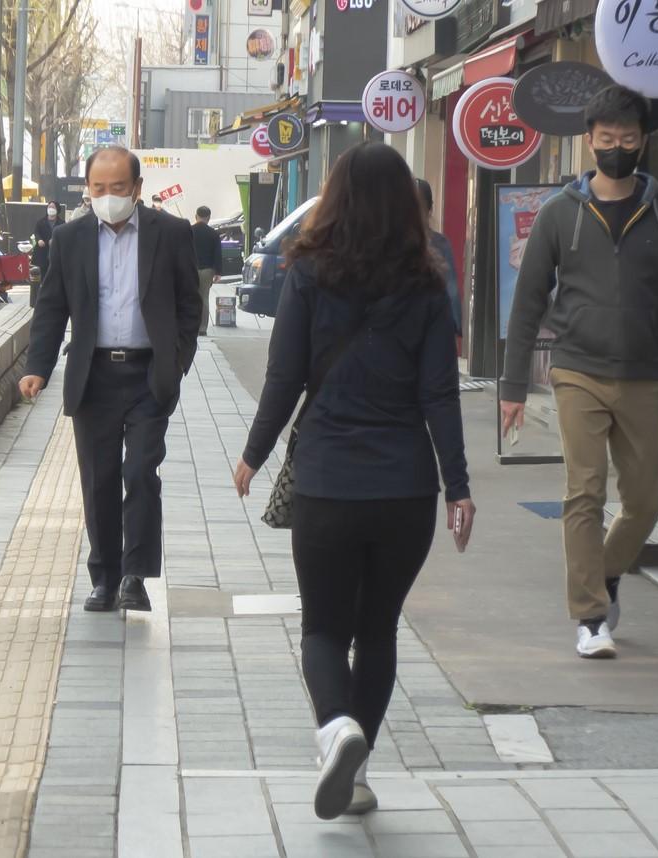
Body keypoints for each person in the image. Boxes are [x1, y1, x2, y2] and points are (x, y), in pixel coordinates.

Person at [233, 142, 474, 820]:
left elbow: (285, 375)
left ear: (333, 198)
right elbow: (439, 395)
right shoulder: (427, 282)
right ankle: (358, 771)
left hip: (328, 483)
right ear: (405, 204)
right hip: (404, 490)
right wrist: (457, 487)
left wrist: (252, 454)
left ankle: (335, 726)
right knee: (377, 630)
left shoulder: (306, 273)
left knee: (321, 628)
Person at [499, 85, 658, 659]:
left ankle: (607, 572)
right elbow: (528, 303)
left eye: (628, 139)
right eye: (607, 139)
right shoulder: (559, 214)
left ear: (644, 142)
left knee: (645, 502)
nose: (617, 148)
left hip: (646, 374)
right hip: (578, 370)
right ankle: (590, 617)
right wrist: (512, 387)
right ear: (589, 141)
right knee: (584, 492)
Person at [20, 147, 202, 613]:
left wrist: (176, 361)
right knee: (98, 478)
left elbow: (188, 303)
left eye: (117, 188)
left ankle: (135, 576)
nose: (107, 197)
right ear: (88, 189)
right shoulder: (70, 237)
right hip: (94, 374)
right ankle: (104, 576)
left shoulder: (172, 233)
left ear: (137, 189)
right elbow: (51, 306)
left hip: (148, 375)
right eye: (98, 188)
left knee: (140, 470)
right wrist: (37, 367)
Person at [416, 180, 462, 337]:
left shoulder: (440, 244)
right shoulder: (390, 244)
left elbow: (451, 287)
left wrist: (453, 324)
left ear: (429, 210)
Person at [190, 206, 223, 336]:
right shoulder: (213, 233)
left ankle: (191, 325)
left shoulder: (189, 231)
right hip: (207, 270)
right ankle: (202, 328)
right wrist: (218, 272)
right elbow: (218, 254)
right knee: (204, 298)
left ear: (195, 216)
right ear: (209, 218)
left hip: (191, 269)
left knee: (191, 298)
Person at [32, 201, 63, 276]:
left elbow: (63, 236)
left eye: (53, 207)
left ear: (57, 209)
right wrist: (39, 240)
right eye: (49, 207)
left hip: (55, 253)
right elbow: (36, 232)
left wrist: (55, 240)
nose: (51, 209)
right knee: (42, 274)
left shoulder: (62, 223)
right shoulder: (40, 222)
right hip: (41, 252)